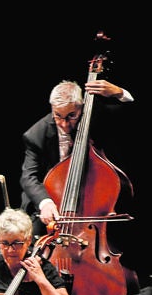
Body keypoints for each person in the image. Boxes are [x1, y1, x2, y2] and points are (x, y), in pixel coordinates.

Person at [20, 79, 133, 230]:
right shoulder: (35, 135)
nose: (65, 124)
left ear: (81, 108)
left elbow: (129, 116)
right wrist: (45, 202)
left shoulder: (92, 117)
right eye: (58, 116)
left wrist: (119, 92)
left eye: (71, 116)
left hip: (89, 201)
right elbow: (29, 177)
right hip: (52, 204)